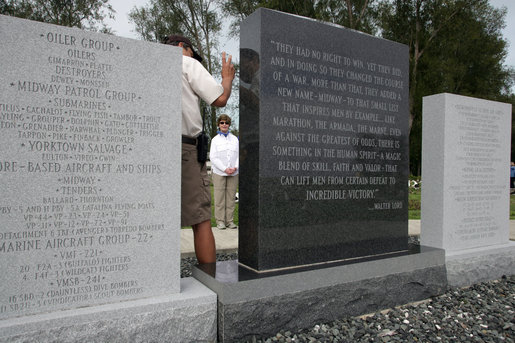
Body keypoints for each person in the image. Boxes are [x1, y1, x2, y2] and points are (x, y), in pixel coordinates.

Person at [164, 34, 235, 263]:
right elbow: (220, 99)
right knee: (201, 217)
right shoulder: (186, 63)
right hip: (185, 149)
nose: (194, 57)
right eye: (192, 52)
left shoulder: (150, 66)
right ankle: (208, 277)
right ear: (183, 48)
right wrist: (226, 79)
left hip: (156, 146)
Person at [210, 114, 239, 230]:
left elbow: (238, 155)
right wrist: (224, 168)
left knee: (231, 198)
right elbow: (213, 157)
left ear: (229, 125)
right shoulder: (215, 140)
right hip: (219, 172)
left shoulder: (235, 139)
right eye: (222, 123)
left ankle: (229, 221)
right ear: (218, 124)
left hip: (233, 173)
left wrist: (235, 167)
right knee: (220, 198)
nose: (224, 125)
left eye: (226, 123)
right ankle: (220, 221)